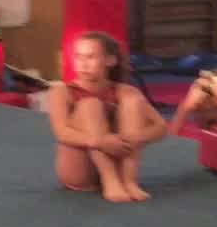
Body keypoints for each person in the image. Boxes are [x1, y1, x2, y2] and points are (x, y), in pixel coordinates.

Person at [48, 31, 166, 203]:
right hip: (80, 169)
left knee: (132, 100)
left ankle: (128, 180)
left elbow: (161, 127)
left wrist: (133, 138)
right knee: (90, 105)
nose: (83, 64)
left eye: (90, 57)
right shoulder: (61, 91)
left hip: (117, 156)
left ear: (110, 60)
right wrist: (99, 141)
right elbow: (61, 132)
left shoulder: (124, 90)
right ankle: (110, 180)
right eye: (78, 57)